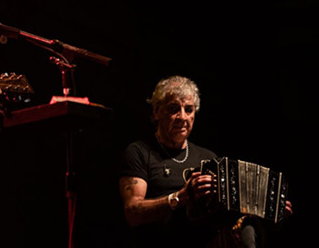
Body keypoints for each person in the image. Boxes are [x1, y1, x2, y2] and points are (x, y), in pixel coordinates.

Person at [118, 75, 292, 247]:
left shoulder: (208, 158)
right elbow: (133, 213)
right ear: (156, 111)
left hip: (206, 241)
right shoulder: (139, 152)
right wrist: (181, 197)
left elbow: (227, 213)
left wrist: (271, 211)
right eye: (173, 109)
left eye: (189, 109)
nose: (182, 117)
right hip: (163, 241)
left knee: (246, 227)